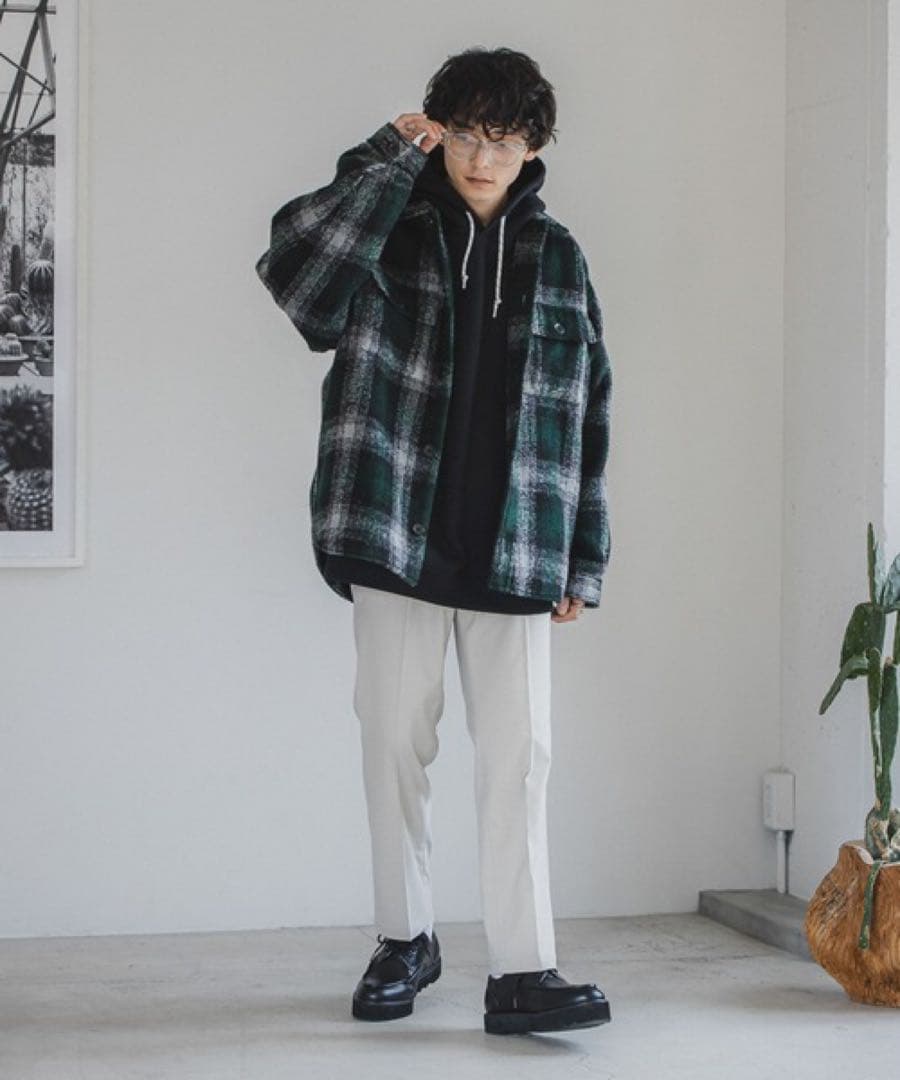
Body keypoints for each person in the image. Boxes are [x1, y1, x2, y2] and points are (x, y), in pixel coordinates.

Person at [255, 45, 613, 1036]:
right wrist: (382, 158)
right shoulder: (390, 226)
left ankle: (524, 971)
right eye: (464, 134)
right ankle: (403, 938)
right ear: (438, 131)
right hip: (392, 526)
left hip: (517, 542)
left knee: (521, 758)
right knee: (392, 747)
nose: (481, 158)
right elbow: (297, 281)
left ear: (533, 145)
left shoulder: (561, 257)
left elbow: (590, 411)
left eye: (503, 139)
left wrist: (583, 557)